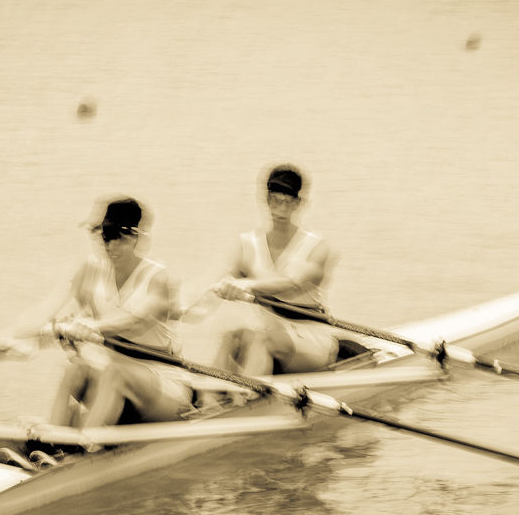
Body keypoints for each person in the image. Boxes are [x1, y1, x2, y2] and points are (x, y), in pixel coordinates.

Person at [44, 196, 191, 429]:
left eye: (116, 237)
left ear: (135, 237)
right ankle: (52, 439)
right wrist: (49, 329)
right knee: (75, 369)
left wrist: (93, 326)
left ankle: (85, 448)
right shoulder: (91, 271)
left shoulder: (159, 279)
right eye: (104, 237)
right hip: (114, 385)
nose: (109, 246)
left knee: (115, 373)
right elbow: (60, 310)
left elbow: (137, 321)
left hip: (164, 389)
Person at [210, 164, 338, 375]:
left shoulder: (316, 248)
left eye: (287, 202)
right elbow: (214, 287)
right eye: (274, 200)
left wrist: (246, 284)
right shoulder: (248, 244)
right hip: (272, 333)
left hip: (312, 339)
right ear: (265, 200)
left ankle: (248, 400)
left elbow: (290, 284)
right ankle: (208, 399)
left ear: (299, 203)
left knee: (262, 339)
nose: (280, 209)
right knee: (230, 336)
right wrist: (186, 308)